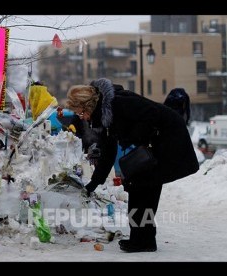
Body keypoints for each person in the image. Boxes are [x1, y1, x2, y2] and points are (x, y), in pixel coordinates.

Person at [66, 78, 199, 253]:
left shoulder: (118, 103)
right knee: (138, 183)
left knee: (144, 183)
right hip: (157, 141)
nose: (81, 117)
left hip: (170, 138)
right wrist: (94, 183)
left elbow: (151, 113)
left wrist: (135, 137)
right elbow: (108, 152)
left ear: (87, 105)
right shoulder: (106, 116)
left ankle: (143, 241)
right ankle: (142, 239)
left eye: (80, 112)